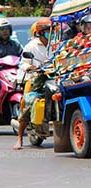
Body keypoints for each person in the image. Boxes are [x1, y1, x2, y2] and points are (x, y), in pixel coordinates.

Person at [13, 18, 51, 150]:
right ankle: (19, 139)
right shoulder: (31, 46)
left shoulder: (56, 43)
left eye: (51, 31)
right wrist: (31, 68)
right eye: (47, 32)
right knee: (27, 104)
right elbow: (23, 63)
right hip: (35, 79)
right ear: (40, 33)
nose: (50, 34)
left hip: (53, 77)